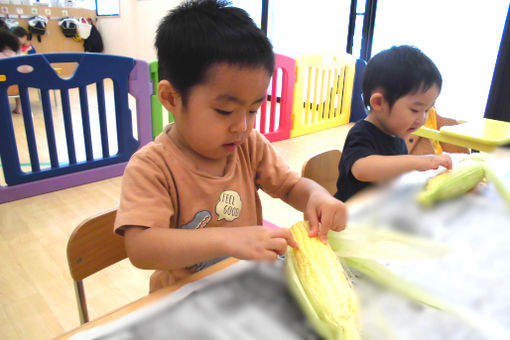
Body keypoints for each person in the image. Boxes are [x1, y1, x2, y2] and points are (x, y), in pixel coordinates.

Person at [114, 0, 347, 293]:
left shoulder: (248, 146)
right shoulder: (152, 167)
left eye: (252, 110)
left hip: (245, 285)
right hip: (186, 297)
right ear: (172, 99)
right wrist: (229, 240)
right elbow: (141, 247)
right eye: (225, 111)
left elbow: (290, 187)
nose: (243, 126)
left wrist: (318, 196)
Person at [334, 45, 452, 202]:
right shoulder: (361, 133)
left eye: (427, 110)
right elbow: (361, 169)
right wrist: (422, 161)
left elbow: (393, 178)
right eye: (415, 110)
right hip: (351, 218)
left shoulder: (396, 135)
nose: (422, 119)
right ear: (378, 102)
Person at [0, 29, 22, 114]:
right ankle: (19, 107)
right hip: (17, 87)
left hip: (2, 86)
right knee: (19, 79)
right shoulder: (18, 54)